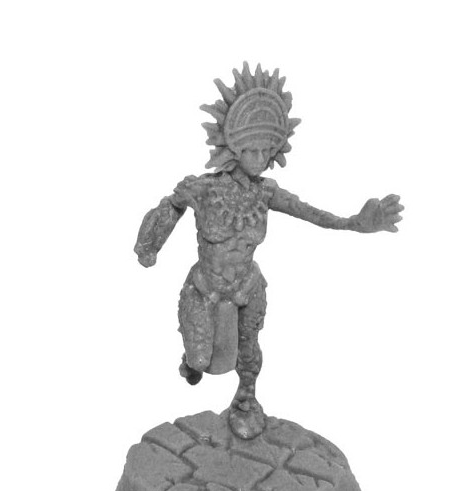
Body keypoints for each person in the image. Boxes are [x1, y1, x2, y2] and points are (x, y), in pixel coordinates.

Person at [134, 62, 404, 439]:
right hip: (205, 287)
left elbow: (312, 214)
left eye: (266, 150)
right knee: (204, 361)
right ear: (233, 145)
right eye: (251, 149)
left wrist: (356, 223)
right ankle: (193, 359)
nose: (259, 159)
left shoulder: (266, 193)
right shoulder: (203, 189)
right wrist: (149, 245)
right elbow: (169, 210)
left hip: (247, 287)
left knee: (248, 352)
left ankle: (246, 402)